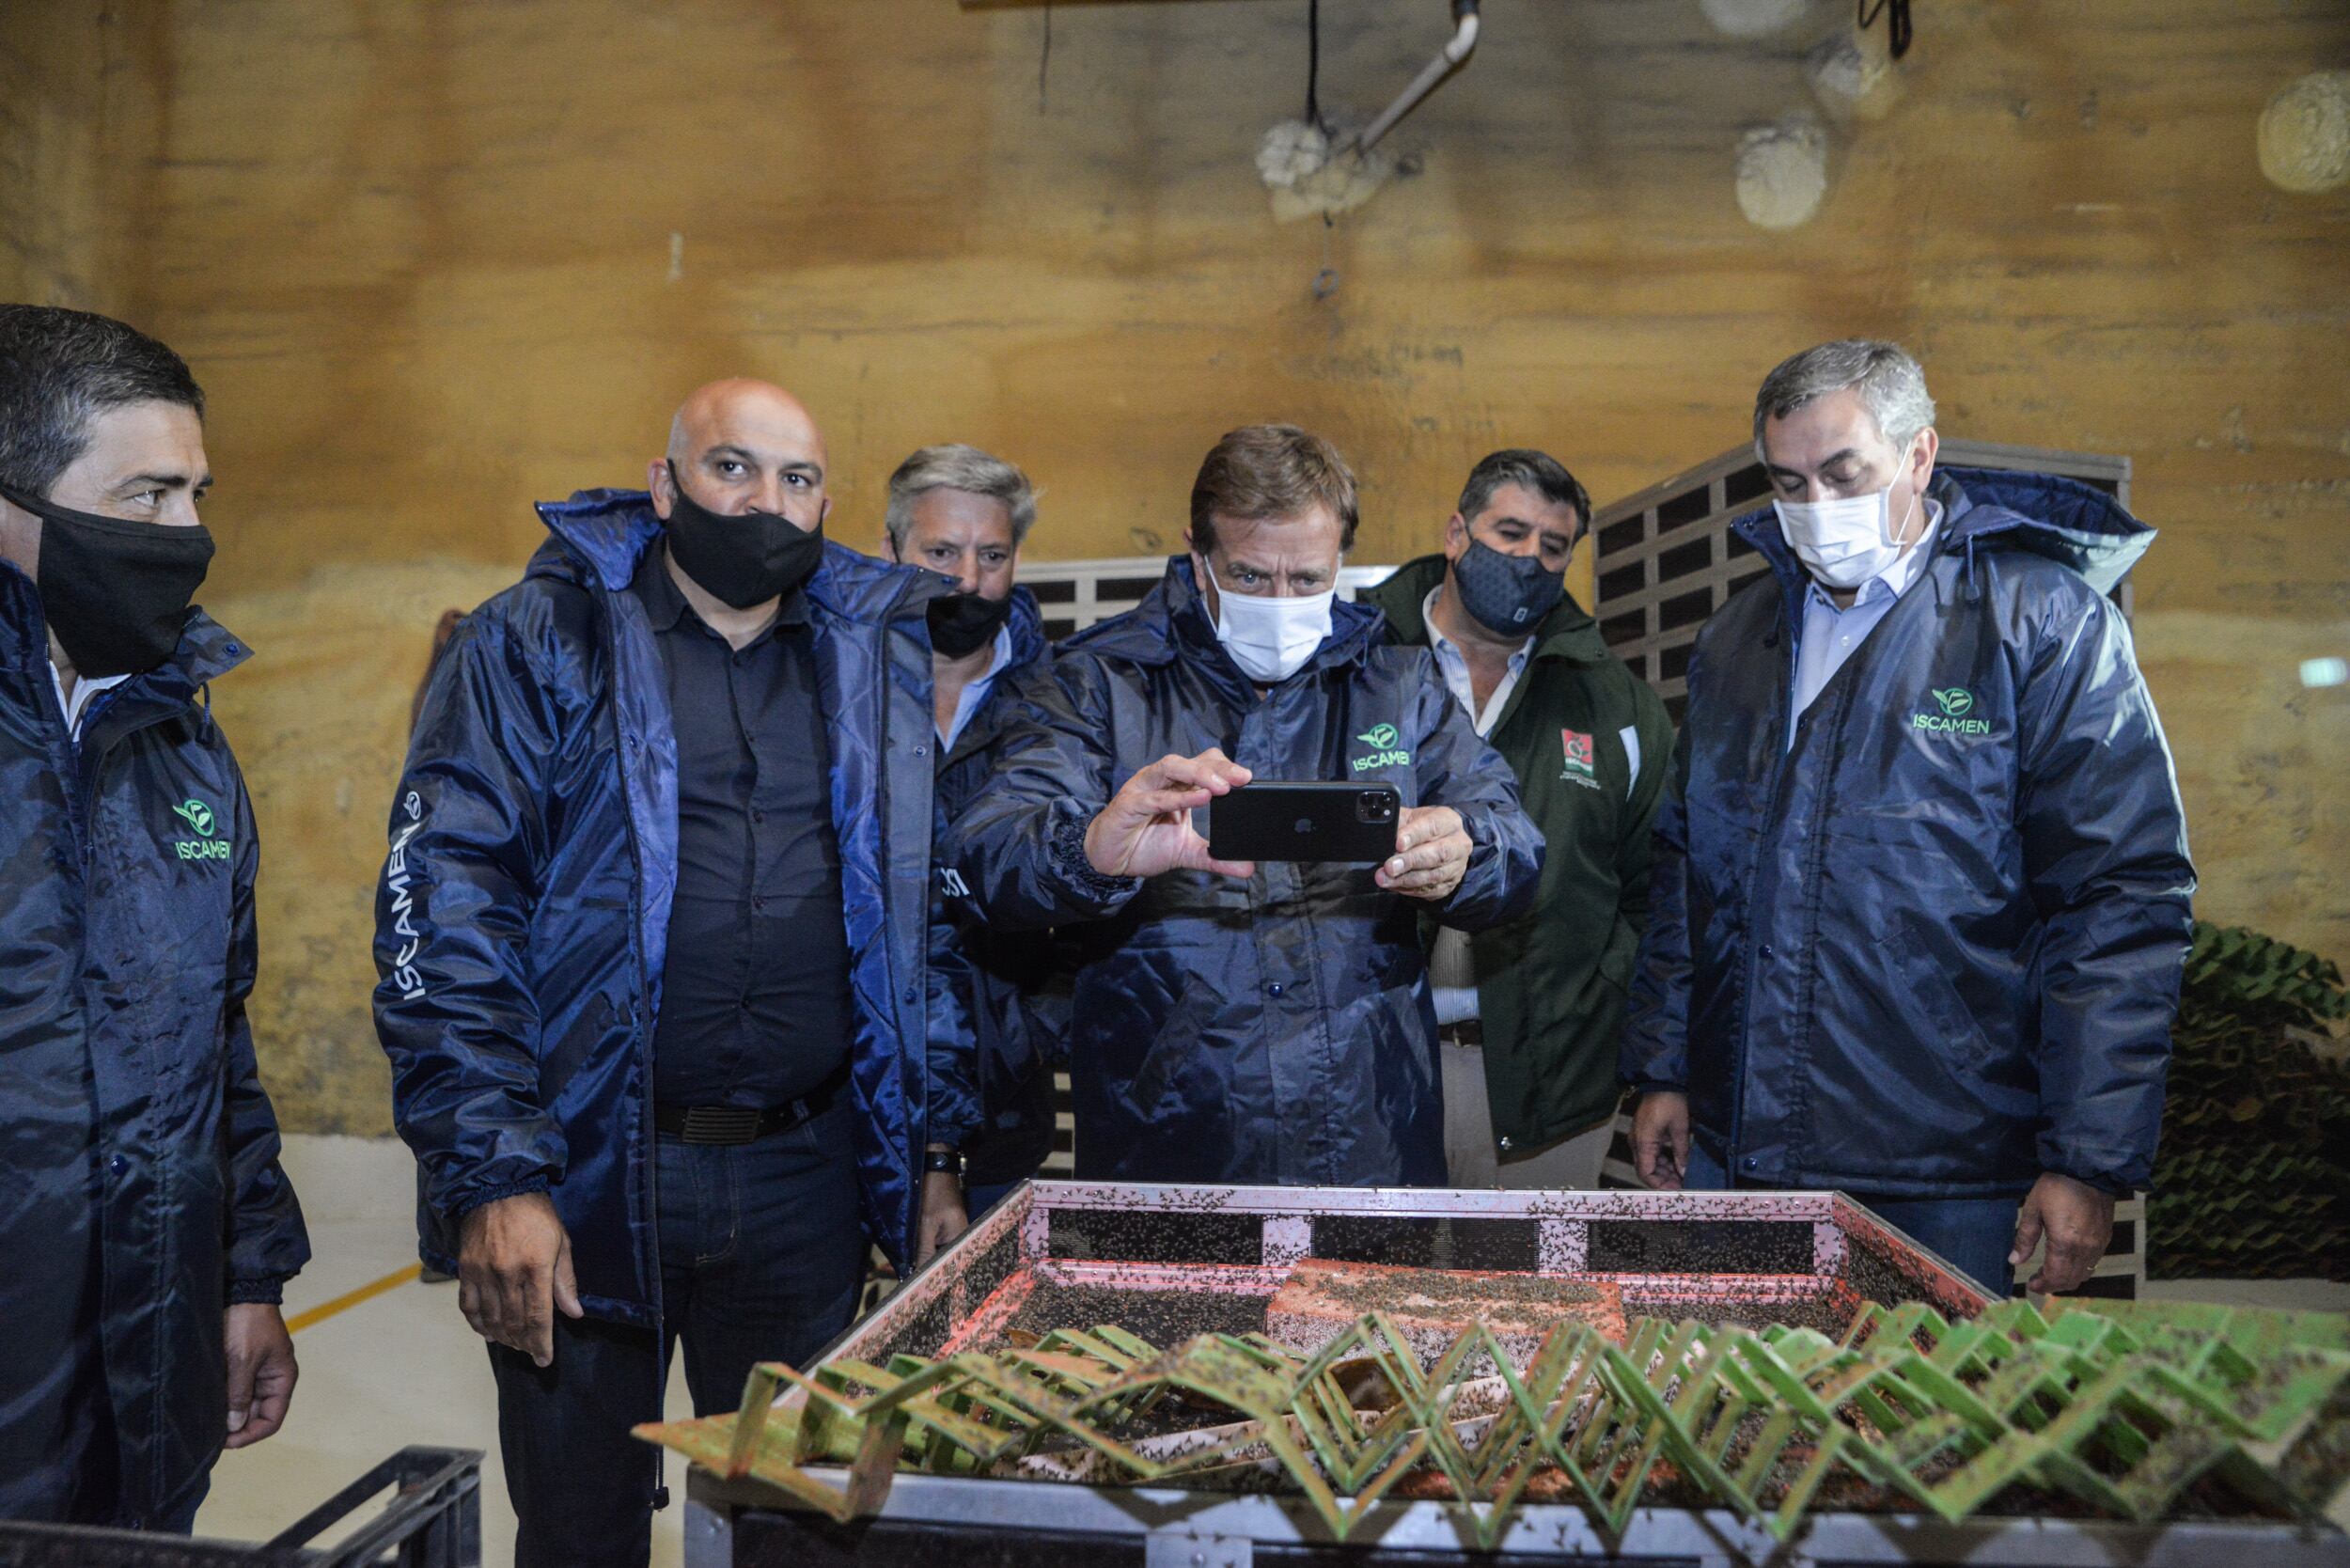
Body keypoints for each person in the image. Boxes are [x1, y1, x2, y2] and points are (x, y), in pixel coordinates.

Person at [374, 379, 939, 1568]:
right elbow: (447, 910)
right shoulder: (534, 641)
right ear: (665, 483)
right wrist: (494, 1177)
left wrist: (921, 1151)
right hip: (588, 1178)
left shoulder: (865, 653)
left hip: (805, 1181)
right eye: (733, 468)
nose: (766, 503)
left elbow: (920, 913)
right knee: (579, 1529)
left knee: (797, 1528)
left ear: (829, 498)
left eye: (797, 480)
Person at [1622, 338, 2194, 1295]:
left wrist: (2086, 1157)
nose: (1813, 507)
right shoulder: (1738, 639)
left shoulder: (2039, 622)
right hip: (1743, 1147)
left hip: (1948, 1170)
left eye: (1843, 474)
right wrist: (1667, 1070)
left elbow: (2117, 896)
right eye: (1788, 481)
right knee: (1734, 1430)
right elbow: (1689, 868)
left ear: (1919, 456)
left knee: (1923, 1433)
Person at [946, 423, 1543, 1186]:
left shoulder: (1396, 683)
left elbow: (1515, 840)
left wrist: (1467, 854)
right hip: (1170, 1134)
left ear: (1340, 562)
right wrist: (1092, 850)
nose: (1282, 601)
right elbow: (986, 849)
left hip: (1369, 1133)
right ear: (1199, 556)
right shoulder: (1100, 681)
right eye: (1252, 577)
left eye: (1309, 580)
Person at [0, 305, 307, 1529]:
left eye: (197, 492)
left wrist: (248, 1273)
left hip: (150, 1382)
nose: (191, 534)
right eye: (145, 496)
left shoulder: (177, 733)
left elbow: (216, 1038)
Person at [1364, 449, 1675, 1190]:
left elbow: (1655, 899)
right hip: (1373, 1071)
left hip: (1552, 1090)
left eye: (1554, 546)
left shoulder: (1615, 706)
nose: (1530, 558)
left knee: (1532, 1304)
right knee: (1371, 1295)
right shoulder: (1357, 664)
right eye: (1510, 532)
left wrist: (1641, 1049)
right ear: (1455, 533)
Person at [882, 444, 1063, 1262]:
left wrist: (1033, 1029)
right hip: (854, 1104)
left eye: (991, 556)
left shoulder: (1062, 701)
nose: (967, 579)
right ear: (892, 552)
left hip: (1006, 1108)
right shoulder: (837, 691)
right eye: (940, 553)